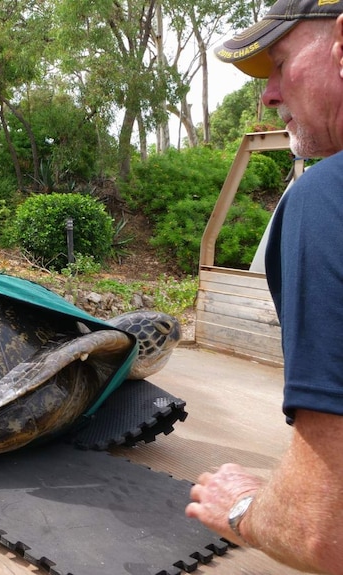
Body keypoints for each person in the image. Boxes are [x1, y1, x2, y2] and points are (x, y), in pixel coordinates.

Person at [186, 1, 343, 571]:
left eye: (280, 63)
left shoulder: (326, 198)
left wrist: (244, 508)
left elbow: (323, 530)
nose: (269, 94)